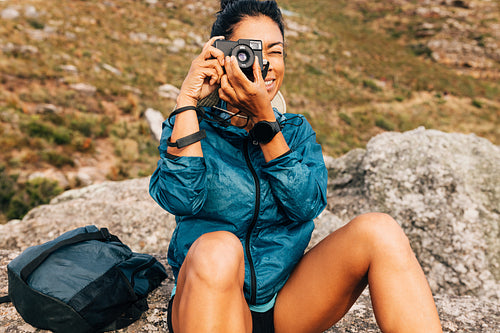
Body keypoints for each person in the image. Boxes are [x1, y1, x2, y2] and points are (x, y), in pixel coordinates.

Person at [149, 0, 443, 332]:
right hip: (209, 301)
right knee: (220, 247)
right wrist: (187, 101)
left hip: (284, 303)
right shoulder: (193, 125)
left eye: (275, 52)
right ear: (223, 57)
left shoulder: (296, 131)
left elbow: (305, 204)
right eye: (250, 52)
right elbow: (180, 198)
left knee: (380, 230)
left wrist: (265, 122)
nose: (266, 65)